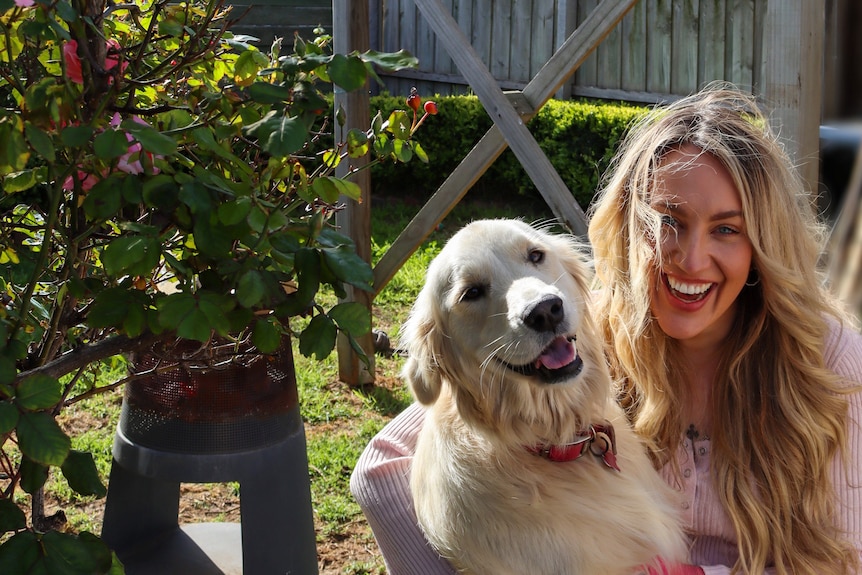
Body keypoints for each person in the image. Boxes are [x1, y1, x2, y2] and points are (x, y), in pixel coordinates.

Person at [350, 83, 862, 575]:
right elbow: (381, 470)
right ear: (629, 223)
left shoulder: (828, 360)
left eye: (726, 229)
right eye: (669, 221)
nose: (691, 259)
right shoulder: (584, 330)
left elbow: (847, 562)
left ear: (761, 246)